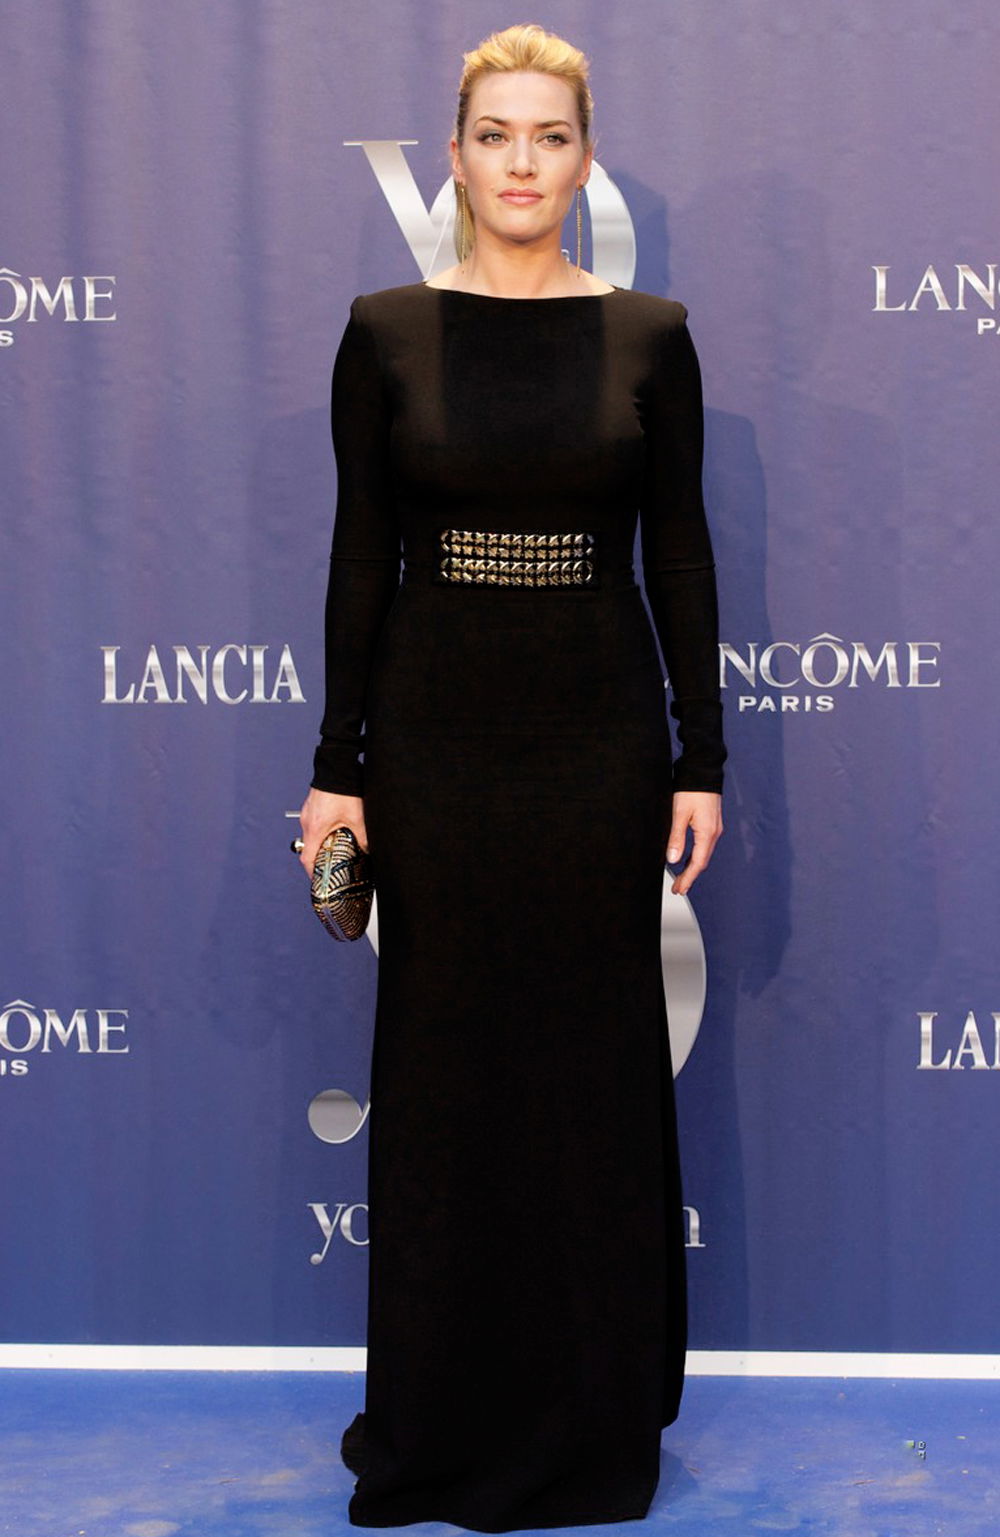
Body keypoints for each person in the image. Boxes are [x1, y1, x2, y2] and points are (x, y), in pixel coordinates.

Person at [297, 22, 726, 1531]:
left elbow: (680, 555)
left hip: (598, 743)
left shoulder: (652, 336)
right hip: (433, 744)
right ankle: (441, 1417)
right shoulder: (386, 333)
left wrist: (700, 758)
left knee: (589, 1073)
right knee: (446, 1074)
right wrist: (338, 767)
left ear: (585, 159)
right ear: (457, 157)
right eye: (496, 136)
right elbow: (362, 557)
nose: (523, 162)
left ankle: (593, 1419)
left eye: (551, 136)